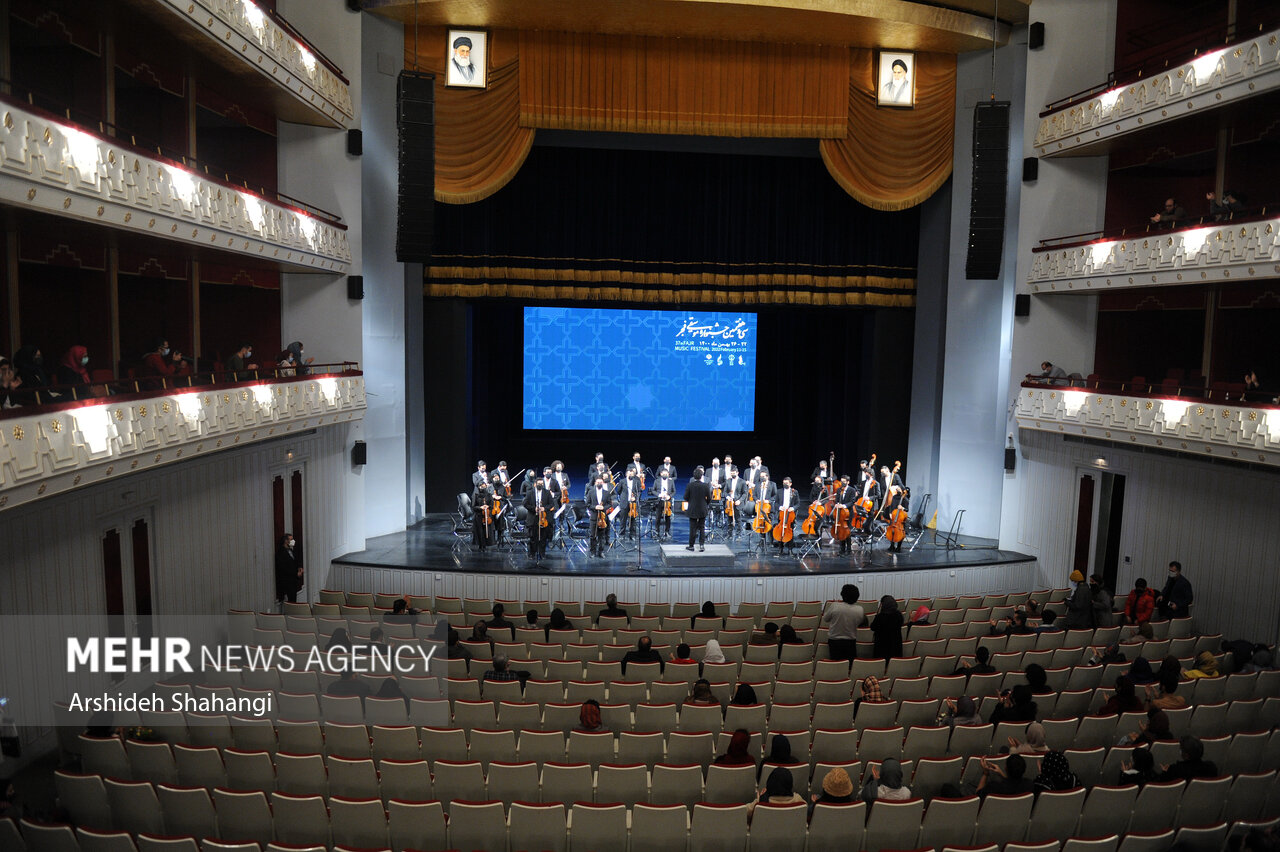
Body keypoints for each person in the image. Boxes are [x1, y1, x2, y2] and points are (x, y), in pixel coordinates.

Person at [822, 583, 864, 662]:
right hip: (851, 642)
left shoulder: (835, 606)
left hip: (834, 642)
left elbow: (826, 619)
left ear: (842, 595)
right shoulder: (860, 609)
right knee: (849, 666)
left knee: (836, 666)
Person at [522, 477, 552, 563]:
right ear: (535, 484)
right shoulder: (530, 493)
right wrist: (534, 508)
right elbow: (525, 504)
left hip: (543, 517)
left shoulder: (547, 492)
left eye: (541, 484)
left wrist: (544, 508)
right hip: (533, 517)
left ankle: (542, 553)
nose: (540, 485)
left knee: (543, 537)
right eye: (539, 484)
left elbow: (551, 504)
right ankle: (532, 553)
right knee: (533, 537)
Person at [684, 465, 711, 551]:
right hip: (703, 509)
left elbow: (685, 497)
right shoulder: (706, 486)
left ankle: (691, 546)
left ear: (694, 476)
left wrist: (691, 501)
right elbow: (709, 498)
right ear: (701, 476)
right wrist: (705, 504)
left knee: (692, 528)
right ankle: (702, 545)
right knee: (702, 527)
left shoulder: (690, 485)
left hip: (692, 509)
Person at [870, 595, 904, 661]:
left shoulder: (880, 617)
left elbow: (872, 627)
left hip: (882, 648)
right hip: (896, 647)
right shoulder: (899, 615)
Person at [587, 475, 614, 557]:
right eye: (598, 482)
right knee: (593, 535)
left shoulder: (606, 493)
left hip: (603, 517)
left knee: (602, 536)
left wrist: (603, 507)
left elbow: (609, 504)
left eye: (601, 482)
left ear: (602, 483)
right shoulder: (590, 492)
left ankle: (601, 552)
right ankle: (592, 552)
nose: (599, 484)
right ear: (595, 483)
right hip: (594, 517)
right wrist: (595, 507)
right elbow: (587, 504)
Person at [274, 533, 302, 604]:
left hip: (293, 580)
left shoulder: (290, 550)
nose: (293, 541)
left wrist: (299, 568)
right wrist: (296, 573)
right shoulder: (281, 552)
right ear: (286, 541)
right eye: (291, 539)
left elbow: (294, 562)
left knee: (293, 599)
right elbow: (284, 568)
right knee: (291, 601)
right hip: (287, 580)